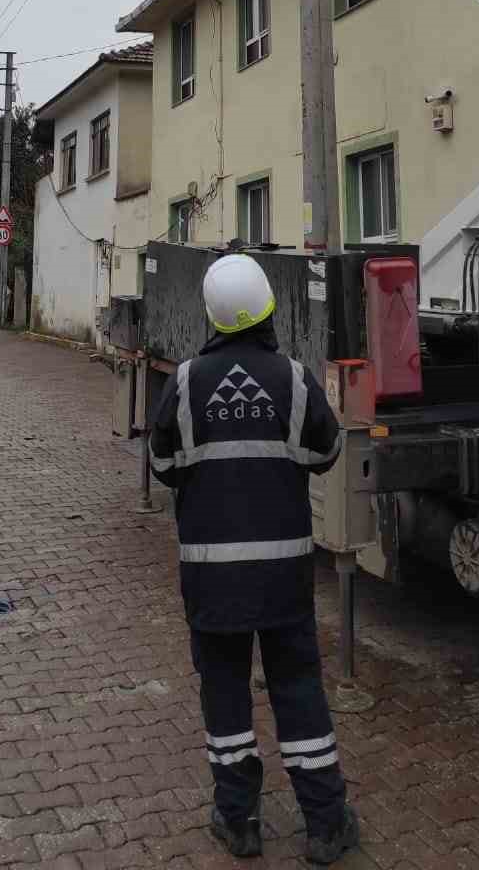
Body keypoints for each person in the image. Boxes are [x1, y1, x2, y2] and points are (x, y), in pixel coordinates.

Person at [149, 255, 360, 864]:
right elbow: (327, 449)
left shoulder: (185, 382)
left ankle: (239, 820)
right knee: (298, 688)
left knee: (224, 691)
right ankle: (324, 823)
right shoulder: (293, 378)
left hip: (211, 579)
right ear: (268, 305)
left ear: (211, 313)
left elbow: (164, 466)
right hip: (283, 579)